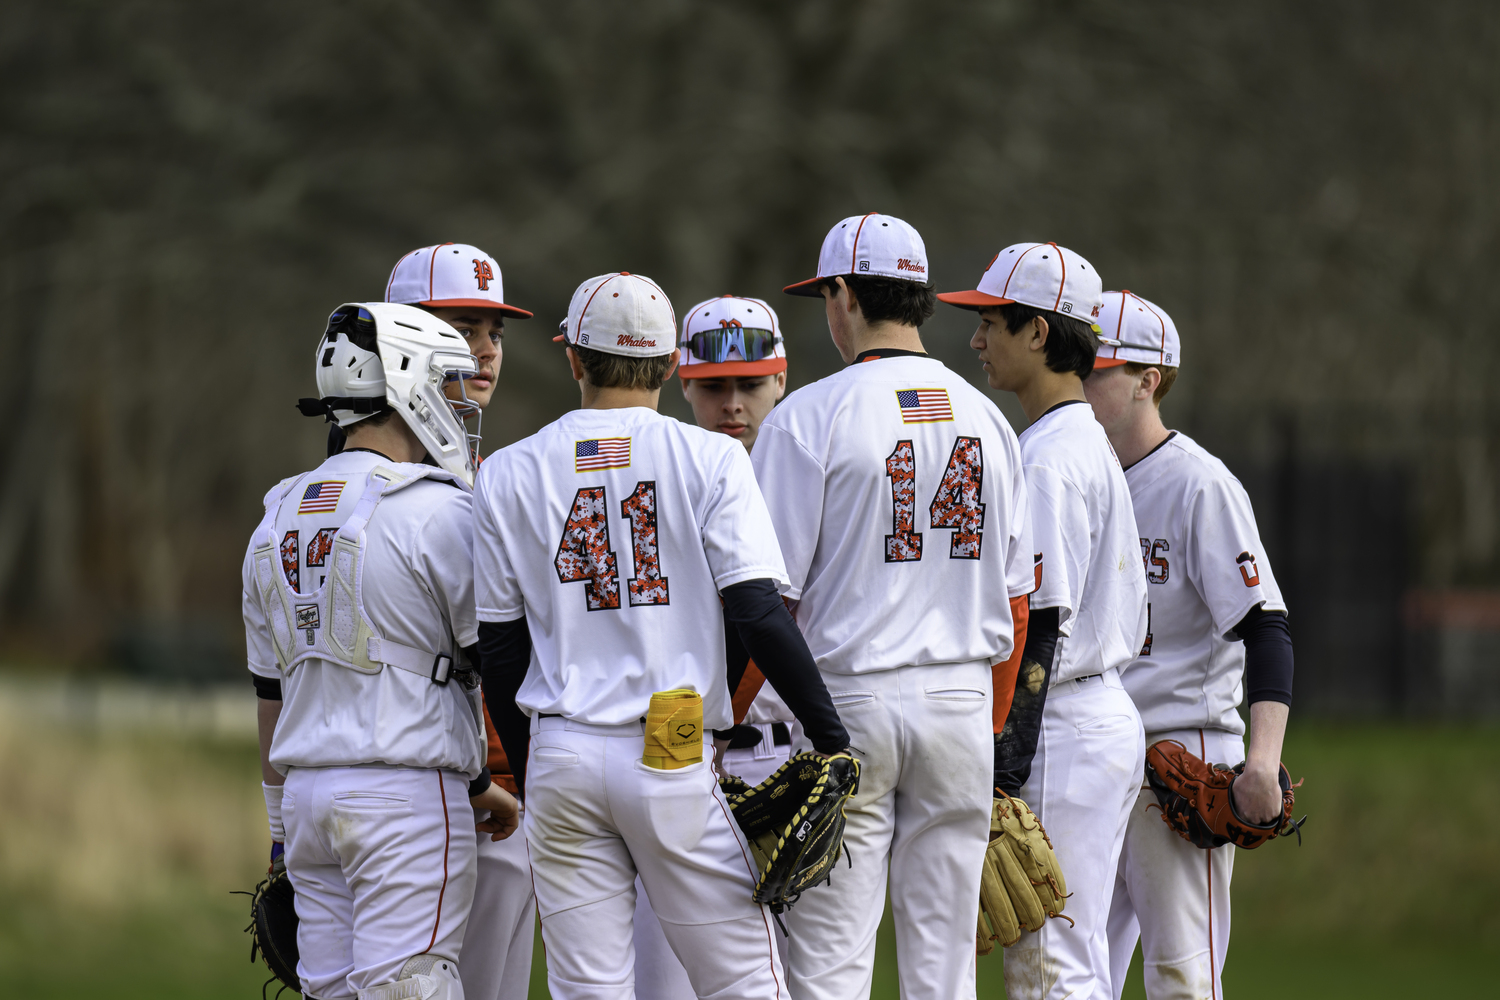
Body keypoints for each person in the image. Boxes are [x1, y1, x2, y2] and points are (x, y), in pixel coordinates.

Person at [472, 272, 851, 1000]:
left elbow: (500, 649)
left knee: (590, 988)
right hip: (668, 743)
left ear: (574, 360)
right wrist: (830, 735)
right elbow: (756, 612)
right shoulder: (712, 458)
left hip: (562, 749)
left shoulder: (510, 470)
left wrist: (532, 763)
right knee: (744, 976)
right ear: (673, 364)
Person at [752, 215, 1034, 1000]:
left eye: (826, 296)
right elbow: (1017, 601)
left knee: (832, 964)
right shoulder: (989, 420)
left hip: (847, 700)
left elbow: (766, 601)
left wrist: (721, 720)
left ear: (844, 295)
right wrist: (988, 725)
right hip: (961, 701)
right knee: (944, 969)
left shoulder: (808, 415)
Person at [247, 302, 518, 1000]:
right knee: (411, 988)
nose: (457, 402)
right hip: (406, 801)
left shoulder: (274, 515)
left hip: (308, 802)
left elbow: (272, 695)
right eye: (445, 382)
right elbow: (498, 661)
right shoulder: (441, 510)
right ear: (408, 383)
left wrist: (279, 829)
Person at [939, 242, 1149, 1000]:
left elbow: (1045, 620)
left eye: (991, 321)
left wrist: (1005, 765)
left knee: (1050, 968)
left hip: (1060, 722)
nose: (976, 338)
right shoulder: (1076, 441)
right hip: (1092, 717)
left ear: (1038, 332)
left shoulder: (1051, 458)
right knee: (1076, 959)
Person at [1082, 291, 1293, 1000]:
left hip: (1181, 750)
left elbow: (1266, 626)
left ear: (1150, 378)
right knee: (1075, 973)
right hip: (1093, 753)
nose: (1084, 380)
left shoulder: (1199, 484)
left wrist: (1260, 762)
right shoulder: (1073, 474)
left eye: (1101, 368)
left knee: (1182, 975)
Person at [631, 293, 798, 999]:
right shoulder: (657, 479)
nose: (733, 403)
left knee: (795, 982)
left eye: (750, 383)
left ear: (780, 379)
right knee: (661, 984)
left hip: (792, 762)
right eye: (714, 386)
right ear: (682, 382)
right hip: (677, 753)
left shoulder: (811, 474)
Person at [385, 243, 537, 1000]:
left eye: (495, 331)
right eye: (461, 326)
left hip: (504, 797)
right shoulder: (381, 485)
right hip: (426, 794)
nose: (483, 349)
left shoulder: (494, 476)